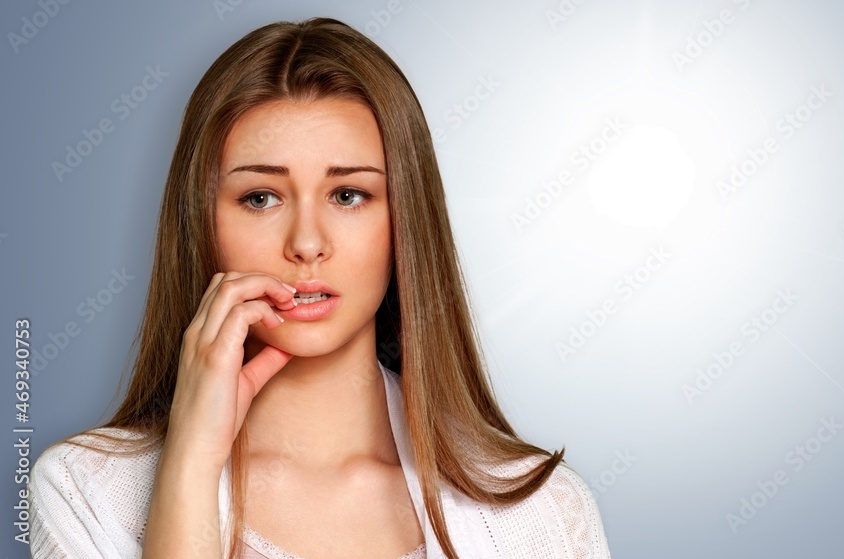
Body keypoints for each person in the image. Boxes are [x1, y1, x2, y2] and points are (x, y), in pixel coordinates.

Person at [27, 17, 611, 559]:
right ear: (201, 224)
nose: (306, 243)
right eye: (260, 198)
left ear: (405, 221)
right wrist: (190, 464)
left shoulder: (543, 513)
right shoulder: (87, 493)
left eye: (348, 195)